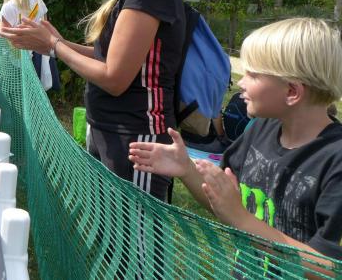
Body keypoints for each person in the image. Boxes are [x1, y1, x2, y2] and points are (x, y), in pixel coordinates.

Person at [0, 0, 185, 202]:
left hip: (137, 143)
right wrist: (53, 42)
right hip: (110, 132)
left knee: (132, 235)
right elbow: (107, 57)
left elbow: (114, 77)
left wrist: (55, 46)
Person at [129, 18, 342, 266]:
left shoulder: (335, 160)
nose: (241, 82)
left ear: (292, 92)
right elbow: (225, 203)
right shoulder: (260, 130)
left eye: (253, 74)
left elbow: (330, 268)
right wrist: (186, 169)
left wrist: (241, 219)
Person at [0, 0, 59, 91]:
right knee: (39, 93)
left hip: (19, 59)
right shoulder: (38, 1)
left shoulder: (8, 6)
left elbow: (4, 34)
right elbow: (45, 26)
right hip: (42, 53)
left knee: (21, 94)